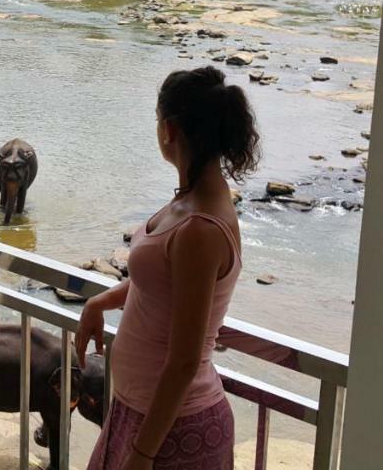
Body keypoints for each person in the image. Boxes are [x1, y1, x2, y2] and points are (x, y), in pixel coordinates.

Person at [77, 66, 260, 470]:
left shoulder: (200, 228)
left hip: (174, 430)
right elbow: (163, 283)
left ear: (170, 130)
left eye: (157, 120)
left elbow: (184, 360)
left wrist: (142, 455)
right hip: (140, 412)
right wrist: (101, 302)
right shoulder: (191, 200)